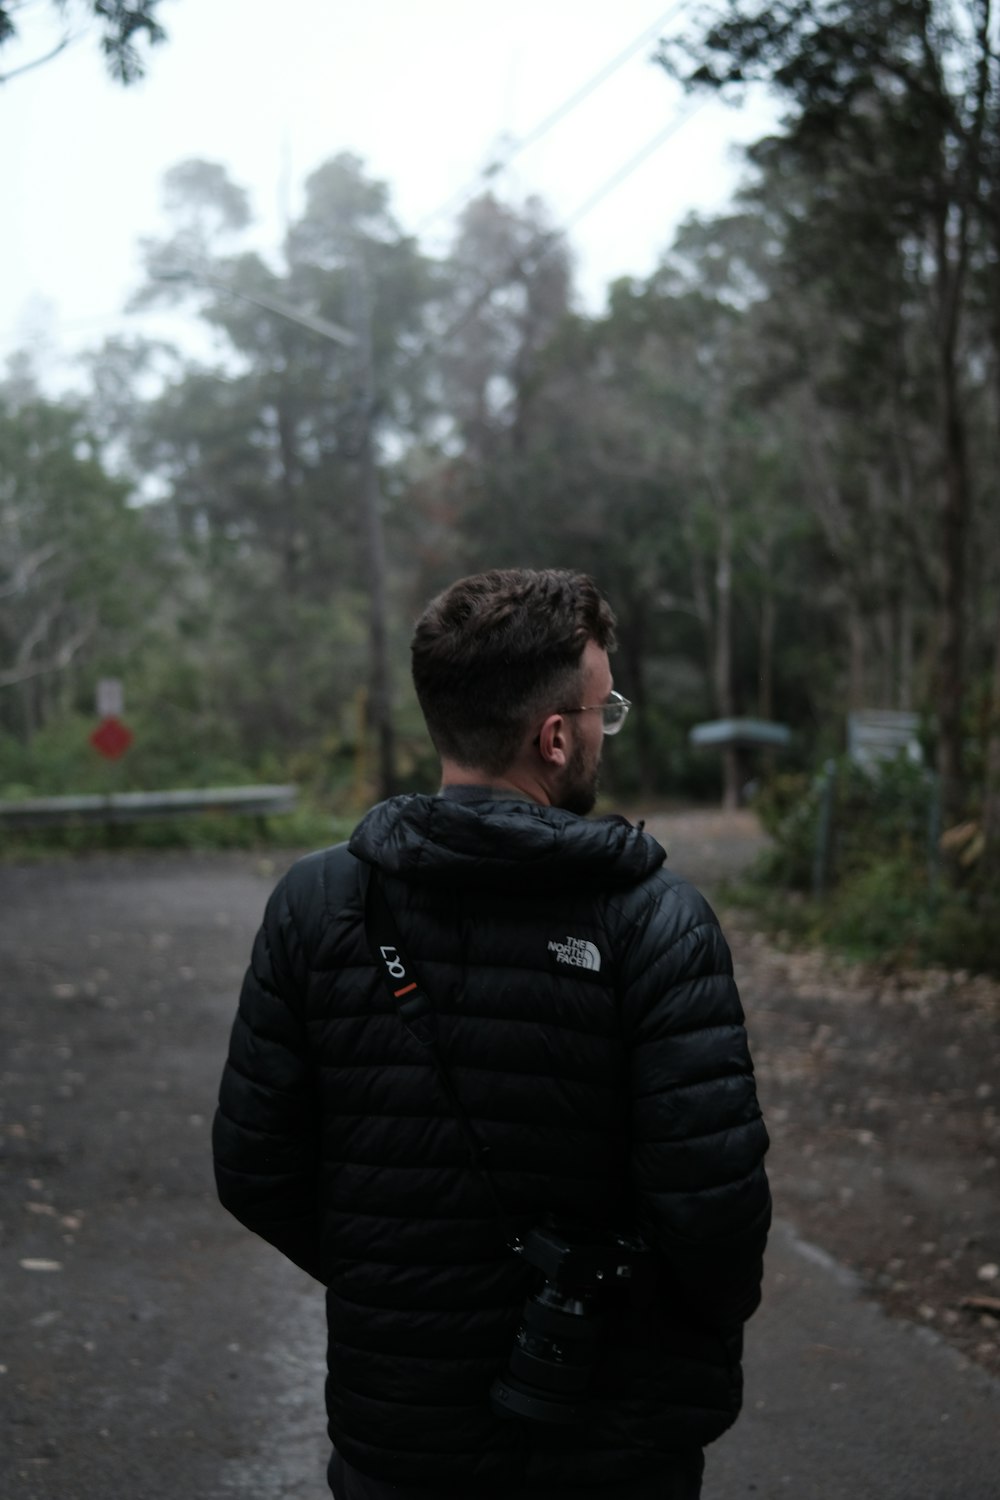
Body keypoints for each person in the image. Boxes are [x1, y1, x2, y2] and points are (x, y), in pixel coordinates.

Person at [213, 567, 771, 1499]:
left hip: (397, 1434)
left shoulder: (316, 905)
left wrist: (393, 1278)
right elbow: (714, 1219)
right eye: (604, 711)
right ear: (555, 738)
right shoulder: (656, 921)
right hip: (610, 1442)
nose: (605, 730)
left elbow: (255, 1170)